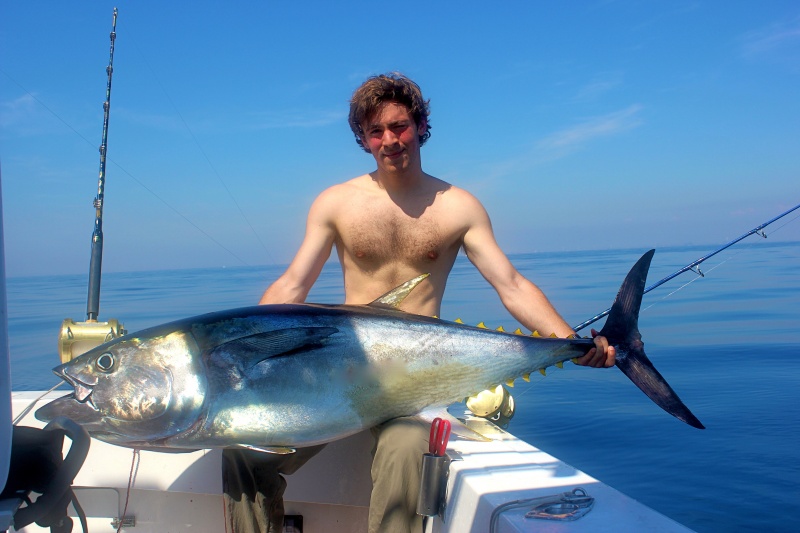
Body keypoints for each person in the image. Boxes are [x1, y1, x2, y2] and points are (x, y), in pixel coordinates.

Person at [223, 72, 615, 533]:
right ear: (363, 139)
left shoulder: (458, 206)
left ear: (421, 125)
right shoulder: (335, 203)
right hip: (340, 372)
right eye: (376, 131)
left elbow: (510, 284)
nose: (390, 140)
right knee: (244, 454)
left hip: (416, 378)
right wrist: (246, 353)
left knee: (407, 452)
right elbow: (293, 285)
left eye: (400, 126)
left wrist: (570, 341)